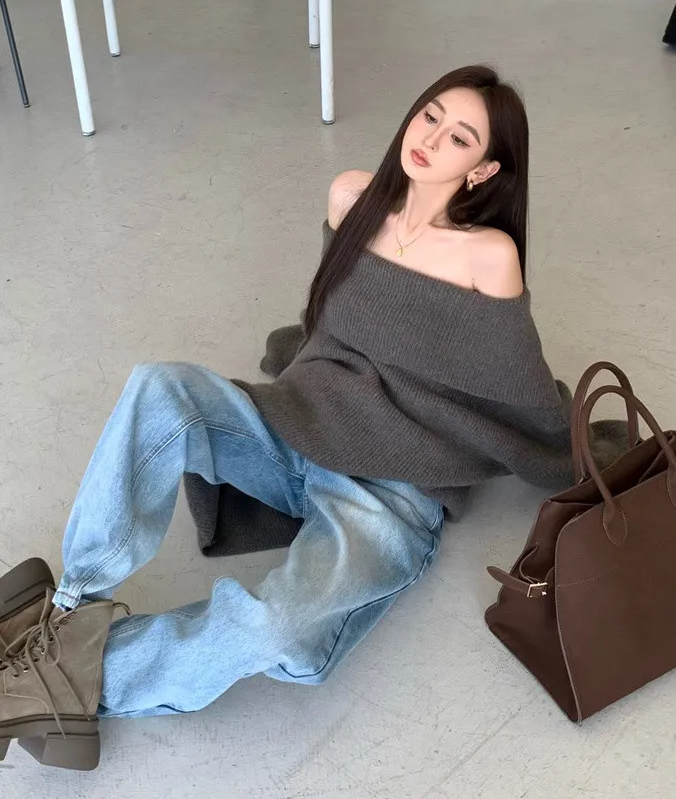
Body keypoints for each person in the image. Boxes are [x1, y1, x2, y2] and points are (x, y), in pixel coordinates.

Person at [0, 65, 576, 771]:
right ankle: (66, 607)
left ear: (483, 169)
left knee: (277, 630)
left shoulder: (489, 256)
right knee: (161, 389)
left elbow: (519, 392)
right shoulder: (353, 197)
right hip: (301, 426)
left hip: (391, 493)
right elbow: (333, 321)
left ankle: (50, 680)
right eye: (430, 114)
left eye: (460, 137)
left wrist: (579, 449)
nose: (430, 139)